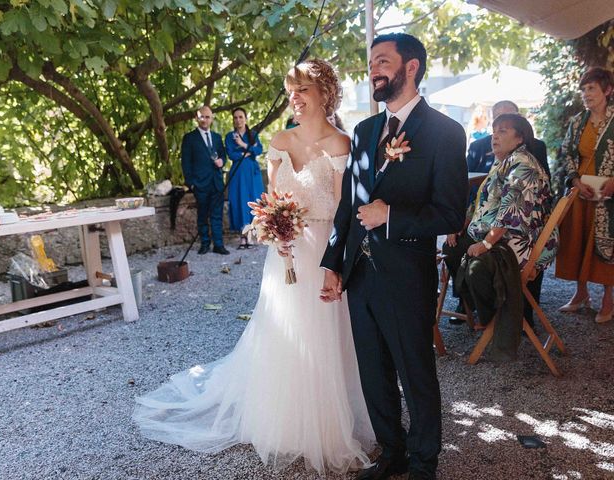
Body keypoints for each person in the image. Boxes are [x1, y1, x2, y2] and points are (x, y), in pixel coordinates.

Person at [134, 59, 375, 475]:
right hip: (283, 252)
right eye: (290, 91)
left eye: (302, 90)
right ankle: (283, 420)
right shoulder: (279, 141)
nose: (294, 99)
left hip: (324, 250)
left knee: (324, 332)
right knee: (283, 329)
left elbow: (345, 213)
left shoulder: (341, 145)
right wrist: (273, 229)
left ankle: (326, 424)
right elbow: (272, 198)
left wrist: (334, 262)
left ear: (324, 94)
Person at [321, 33, 468, 480]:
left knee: (415, 372)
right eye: (370, 63)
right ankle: (393, 452)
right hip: (360, 272)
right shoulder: (364, 132)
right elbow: (348, 204)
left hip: (407, 272)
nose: (373, 70)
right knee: (374, 370)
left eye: (382, 61)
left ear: (412, 67)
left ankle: (424, 464)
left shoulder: (445, 132)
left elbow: (451, 212)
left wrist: (391, 216)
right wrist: (331, 261)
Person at [443, 114, 556, 357]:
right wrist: (461, 224)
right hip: (498, 236)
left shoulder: (523, 165)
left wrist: (485, 243)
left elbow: (509, 212)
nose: (495, 135)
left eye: (503, 131)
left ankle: (494, 316)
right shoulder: (504, 161)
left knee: (477, 267)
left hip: (516, 242)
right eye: (494, 130)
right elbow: (482, 203)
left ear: (520, 138)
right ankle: (484, 312)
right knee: (452, 249)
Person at [556, 67, 614, 324]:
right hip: (582, 192)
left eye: (591, 88)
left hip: (609, 197)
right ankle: (581, 294)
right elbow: (566, 154)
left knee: (606, 245)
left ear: (608, 91)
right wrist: (576, 181)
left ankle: (607, 299)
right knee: (578, 241)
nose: (586, 94)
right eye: (583, 89)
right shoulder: (577, 122)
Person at [181, 105, 229, 255]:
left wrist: (222, 161)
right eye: (201, 116)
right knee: (202, 215)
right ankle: (205, 244)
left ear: (212, 119)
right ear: (197, 118)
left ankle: (218, 245)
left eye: (207, 117)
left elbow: (223, 156)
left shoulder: (216, 137)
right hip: (200, 184)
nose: (204, 119)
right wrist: (191, 184)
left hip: (216, 182)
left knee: (217, 215)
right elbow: (186, 163)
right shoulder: (189, 138)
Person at [467, 100, 550, 178]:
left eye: (510, 118)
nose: (503, 122)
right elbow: (466, 180)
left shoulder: (535, 148)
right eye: (499, 119)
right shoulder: (477, 147)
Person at [224, 108, 265, 249]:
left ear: (245, 119)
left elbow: (259, 150)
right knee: (239, 201)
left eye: (241, 117)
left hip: (252, 174)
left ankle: (252, 234)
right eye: (235, 117)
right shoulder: (230, 136)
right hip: (238, 172)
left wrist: (242, 146)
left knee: (253, 200)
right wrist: (248, 151)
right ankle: (242, 236)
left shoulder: (253, 134)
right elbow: (231, 155)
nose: (238, 120)